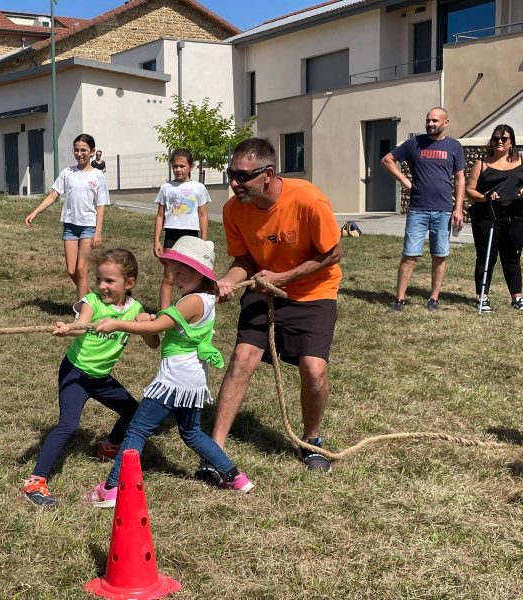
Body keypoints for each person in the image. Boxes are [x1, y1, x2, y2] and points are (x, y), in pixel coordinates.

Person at [87, 237, 253, 507]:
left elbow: (159, 326)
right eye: (173, 271)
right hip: (193, 381)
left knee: (136, 430)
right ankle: (235, 477)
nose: (174, 278)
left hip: (174, 381)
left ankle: (112, 488)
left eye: (181, 271)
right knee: (192, 433)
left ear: (199, 273)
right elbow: (161, 330)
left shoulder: (192, 302)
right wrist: (146, 321)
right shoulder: (204, 299)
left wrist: (119, 323)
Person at [211, 137, 342, 474]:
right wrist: (228, 279)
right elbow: (244, 259)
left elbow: (333, 253)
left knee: (314, 371)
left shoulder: (308, 199)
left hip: (314, 291)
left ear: (267, 174)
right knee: (242, 359)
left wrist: (285, 277)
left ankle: (312, 440)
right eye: (231, 174)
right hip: (264, 287)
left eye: (242, 176)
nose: (234, 183)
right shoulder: (233, 210)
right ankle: (215, 449)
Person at [20, 248, 159, 508]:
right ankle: (35, 482)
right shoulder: (91, 302)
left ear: (129, 283)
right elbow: (81, 325)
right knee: (68, 424)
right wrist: (68, 328)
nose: (102, 286)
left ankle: (108, 447)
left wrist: (144, 323)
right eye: (99, 279)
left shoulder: (135, 309)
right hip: (76, 373)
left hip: (101, 378)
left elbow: (153, 343)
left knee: (132, 412)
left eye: (109, 281)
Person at [381, 107, 466, 313]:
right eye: (428, 120)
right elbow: (387, 160)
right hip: (418, 209)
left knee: (439, 255)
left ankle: (434, 299)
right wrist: (405, 181)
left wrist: (458, 208)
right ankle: (400, 300)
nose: (430, 124)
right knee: (410, 255)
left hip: (443, 210)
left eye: (435, 121)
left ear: (445, 123)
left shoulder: (454, 146)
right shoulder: (414, 144)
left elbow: (460, 178)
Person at [25, 134, 110, 301]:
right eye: (76, 150)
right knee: (71, 271)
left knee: (81, 269)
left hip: (88, 226)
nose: (79, 153)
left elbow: (101, 206)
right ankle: (92, 301)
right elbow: (53, 195)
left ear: (92, 152)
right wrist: (35, 212)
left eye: (83, 150)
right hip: (70, 226)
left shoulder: (98, 176)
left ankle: (81, 310)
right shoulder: (67, 173)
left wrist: (97, 232)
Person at [465, 124, 523, 312]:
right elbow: (469, 190)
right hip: (487, 216)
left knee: (512, 257)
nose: (499, 141)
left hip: (515, 216)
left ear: (511, 142)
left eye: (504, 138)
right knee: (486, 257)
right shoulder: (482, 164)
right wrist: (485, 197)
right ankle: (483, 297)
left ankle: (517, 298)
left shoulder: (521, 161)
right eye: (496, 138)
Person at [153, 148, 211, 309]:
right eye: (175, 166)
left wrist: (204, 240)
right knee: (169, 277)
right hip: (171, 234)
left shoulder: (198, 188)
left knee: (191, 276)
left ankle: (189, 310)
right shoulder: (166, 188)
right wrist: (156, 240)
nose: (178, 170)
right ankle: (164, 314)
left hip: (191, 235)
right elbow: (160, 216)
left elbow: (203, 215)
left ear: (190, 167)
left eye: (182, 166)